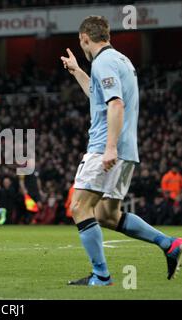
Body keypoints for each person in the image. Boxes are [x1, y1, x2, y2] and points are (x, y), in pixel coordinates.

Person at [60, 16, 182, 286]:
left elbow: (116, 105)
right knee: (106, 215)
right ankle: (169, 244)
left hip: (106, 146)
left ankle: (101, 275)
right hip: (127, 150)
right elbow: (100, 100)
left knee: (79, 207)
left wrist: (109, 147)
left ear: (85, 39)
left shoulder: (103, 62)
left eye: (81, 42)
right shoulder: (121, 60)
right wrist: (78, 72)